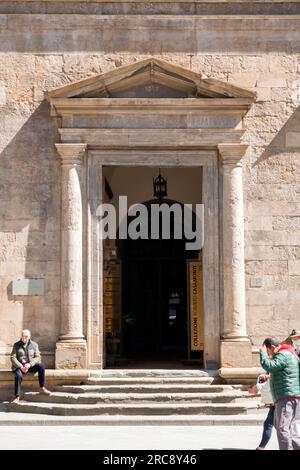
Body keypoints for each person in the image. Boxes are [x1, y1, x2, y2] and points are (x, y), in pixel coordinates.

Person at [260, 337, 300, 450]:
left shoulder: (282, 354)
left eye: (268, 351)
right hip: (292, 395)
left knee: (282, 428)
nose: (269, 354)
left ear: (272, 347)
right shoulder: (290, 353)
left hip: (286, 396)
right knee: (292, 429)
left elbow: (269, 366)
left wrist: (262, 354)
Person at [10, 329, 51, 403]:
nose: (24, 338)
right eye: (22, 336)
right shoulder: (16, 345)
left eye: (26, 336)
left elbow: (38, 357)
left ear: (29, 337)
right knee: (18, 376)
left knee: (41, 366)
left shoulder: (34, 345)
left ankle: (42, 388)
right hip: (19, 367)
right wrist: (21, 367)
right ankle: (17, 397)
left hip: (29, 365)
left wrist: (30, 364)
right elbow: (13, 357)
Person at [248, 374, 274, 450]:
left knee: (279, 427)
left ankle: (262, 446)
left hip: (278, 403)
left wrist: (257, 386)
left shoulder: (267, 376)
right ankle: (262, 446)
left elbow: (266, 387)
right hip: (277, 404)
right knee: (270, 424)